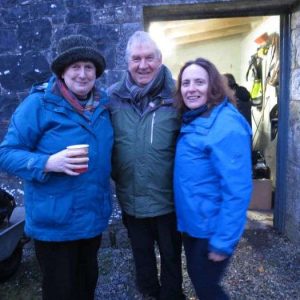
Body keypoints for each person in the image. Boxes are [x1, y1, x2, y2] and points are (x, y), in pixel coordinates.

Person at [0, 35, 113, 300]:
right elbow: (5, 153)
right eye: (75, 67)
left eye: (89, 67)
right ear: (62, 71)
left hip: (91, 219)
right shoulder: (38, 104)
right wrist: (47, 162)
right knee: (60, 291)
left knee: (87, 287)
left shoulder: (103, 106)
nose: (83, 74)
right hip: (55, 224)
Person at [108, 31, 184, 300]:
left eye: (149, 58)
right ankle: (150, 294)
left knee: (172, 257)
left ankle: (173, 296)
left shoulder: (178, 97)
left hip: (169, 202)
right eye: (136, 59)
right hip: (132, 199)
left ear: (160, 59)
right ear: (127, 63)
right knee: (142, 259)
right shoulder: (112, 98)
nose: (143, 65)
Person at [174, 58, 252, 300]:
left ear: (214, 86)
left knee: (207, 287)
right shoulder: (197, 117)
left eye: (199, 81)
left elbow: (237, 190)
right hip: (195, 224)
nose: (191, 88)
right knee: (200, 280)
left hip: (212, 228)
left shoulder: (225, 124)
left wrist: (223, 241)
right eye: (185, 83)